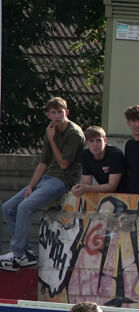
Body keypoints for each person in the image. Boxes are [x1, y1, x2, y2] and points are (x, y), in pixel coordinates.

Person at [1, 97, 84, 270]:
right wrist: (31, 186)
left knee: (25, 207)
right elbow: (43, 163)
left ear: (66, 112)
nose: (57, 116)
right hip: (46, 178)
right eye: (53, 113)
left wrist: (52, 139)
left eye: (60, 112)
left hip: (63, 180)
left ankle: (16, 253)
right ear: (47, 114)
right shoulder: (50, 131)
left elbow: (63, 164)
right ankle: (26, 252)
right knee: (8, 207)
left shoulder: (74, 133)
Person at [71, 126, 125, 199]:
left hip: (127, 194)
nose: (95, 144)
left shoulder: (115, 154)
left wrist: (86, 188)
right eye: (91, 141)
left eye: (98, 140)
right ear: (87, 143)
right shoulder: (86, 155)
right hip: (105, 196)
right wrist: (78, 189)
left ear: (105, 141)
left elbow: (112, 187)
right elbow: (86, 184)